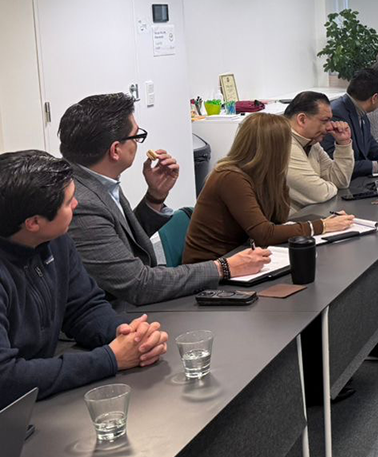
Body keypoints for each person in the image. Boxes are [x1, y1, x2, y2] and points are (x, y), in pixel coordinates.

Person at [58, 93, 270, 304]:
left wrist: (155, 197)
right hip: (118, 310)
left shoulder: (97, 179)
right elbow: (138, 284)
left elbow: (122, 240)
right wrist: (223, 267)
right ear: (115, 150)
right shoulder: (81, 203)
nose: (138, 143)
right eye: (136, 136)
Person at [0, 149, 168, 405]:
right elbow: (5, 380)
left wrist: (129, 336)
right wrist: (110, 359)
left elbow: (83, 308)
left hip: (38, 399)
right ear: (33, 223)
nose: (77, 204)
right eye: (68, 202)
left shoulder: (56, 239)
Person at [184, 113, 354, 263]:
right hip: (213, 268)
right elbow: (264, 233)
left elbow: (278, 219)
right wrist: (321, 226)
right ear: (275, 148)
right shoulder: (230, 176)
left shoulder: (263, 174)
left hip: (241, 256)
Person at [283, 91, 354, 211]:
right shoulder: (285, 143)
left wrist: (343, 143)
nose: (329, 127)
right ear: (302, 120)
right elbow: (320, 193)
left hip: (309, 215)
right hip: (291, 221)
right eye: (324, 121)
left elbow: (340, 181)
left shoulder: (311, 141)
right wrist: (324, 185)